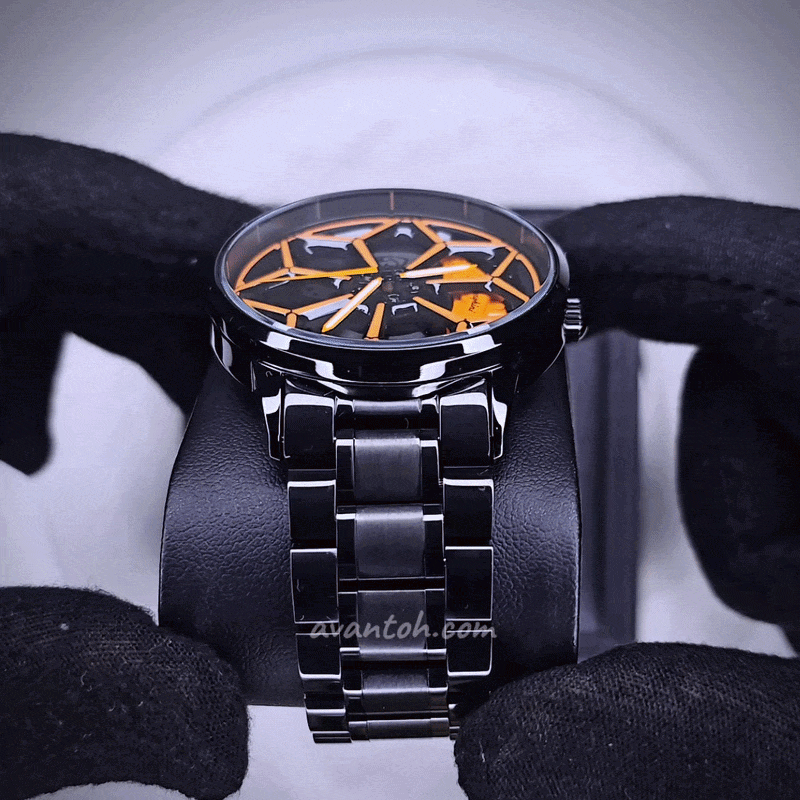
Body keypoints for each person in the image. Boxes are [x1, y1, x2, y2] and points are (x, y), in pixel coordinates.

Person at [2, 134, 799, 800]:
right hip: (355, 380)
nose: (390, 279)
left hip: (351, 375)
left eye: (403, 270)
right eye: (377, 270)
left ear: (562, 320)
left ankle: (348, 684)